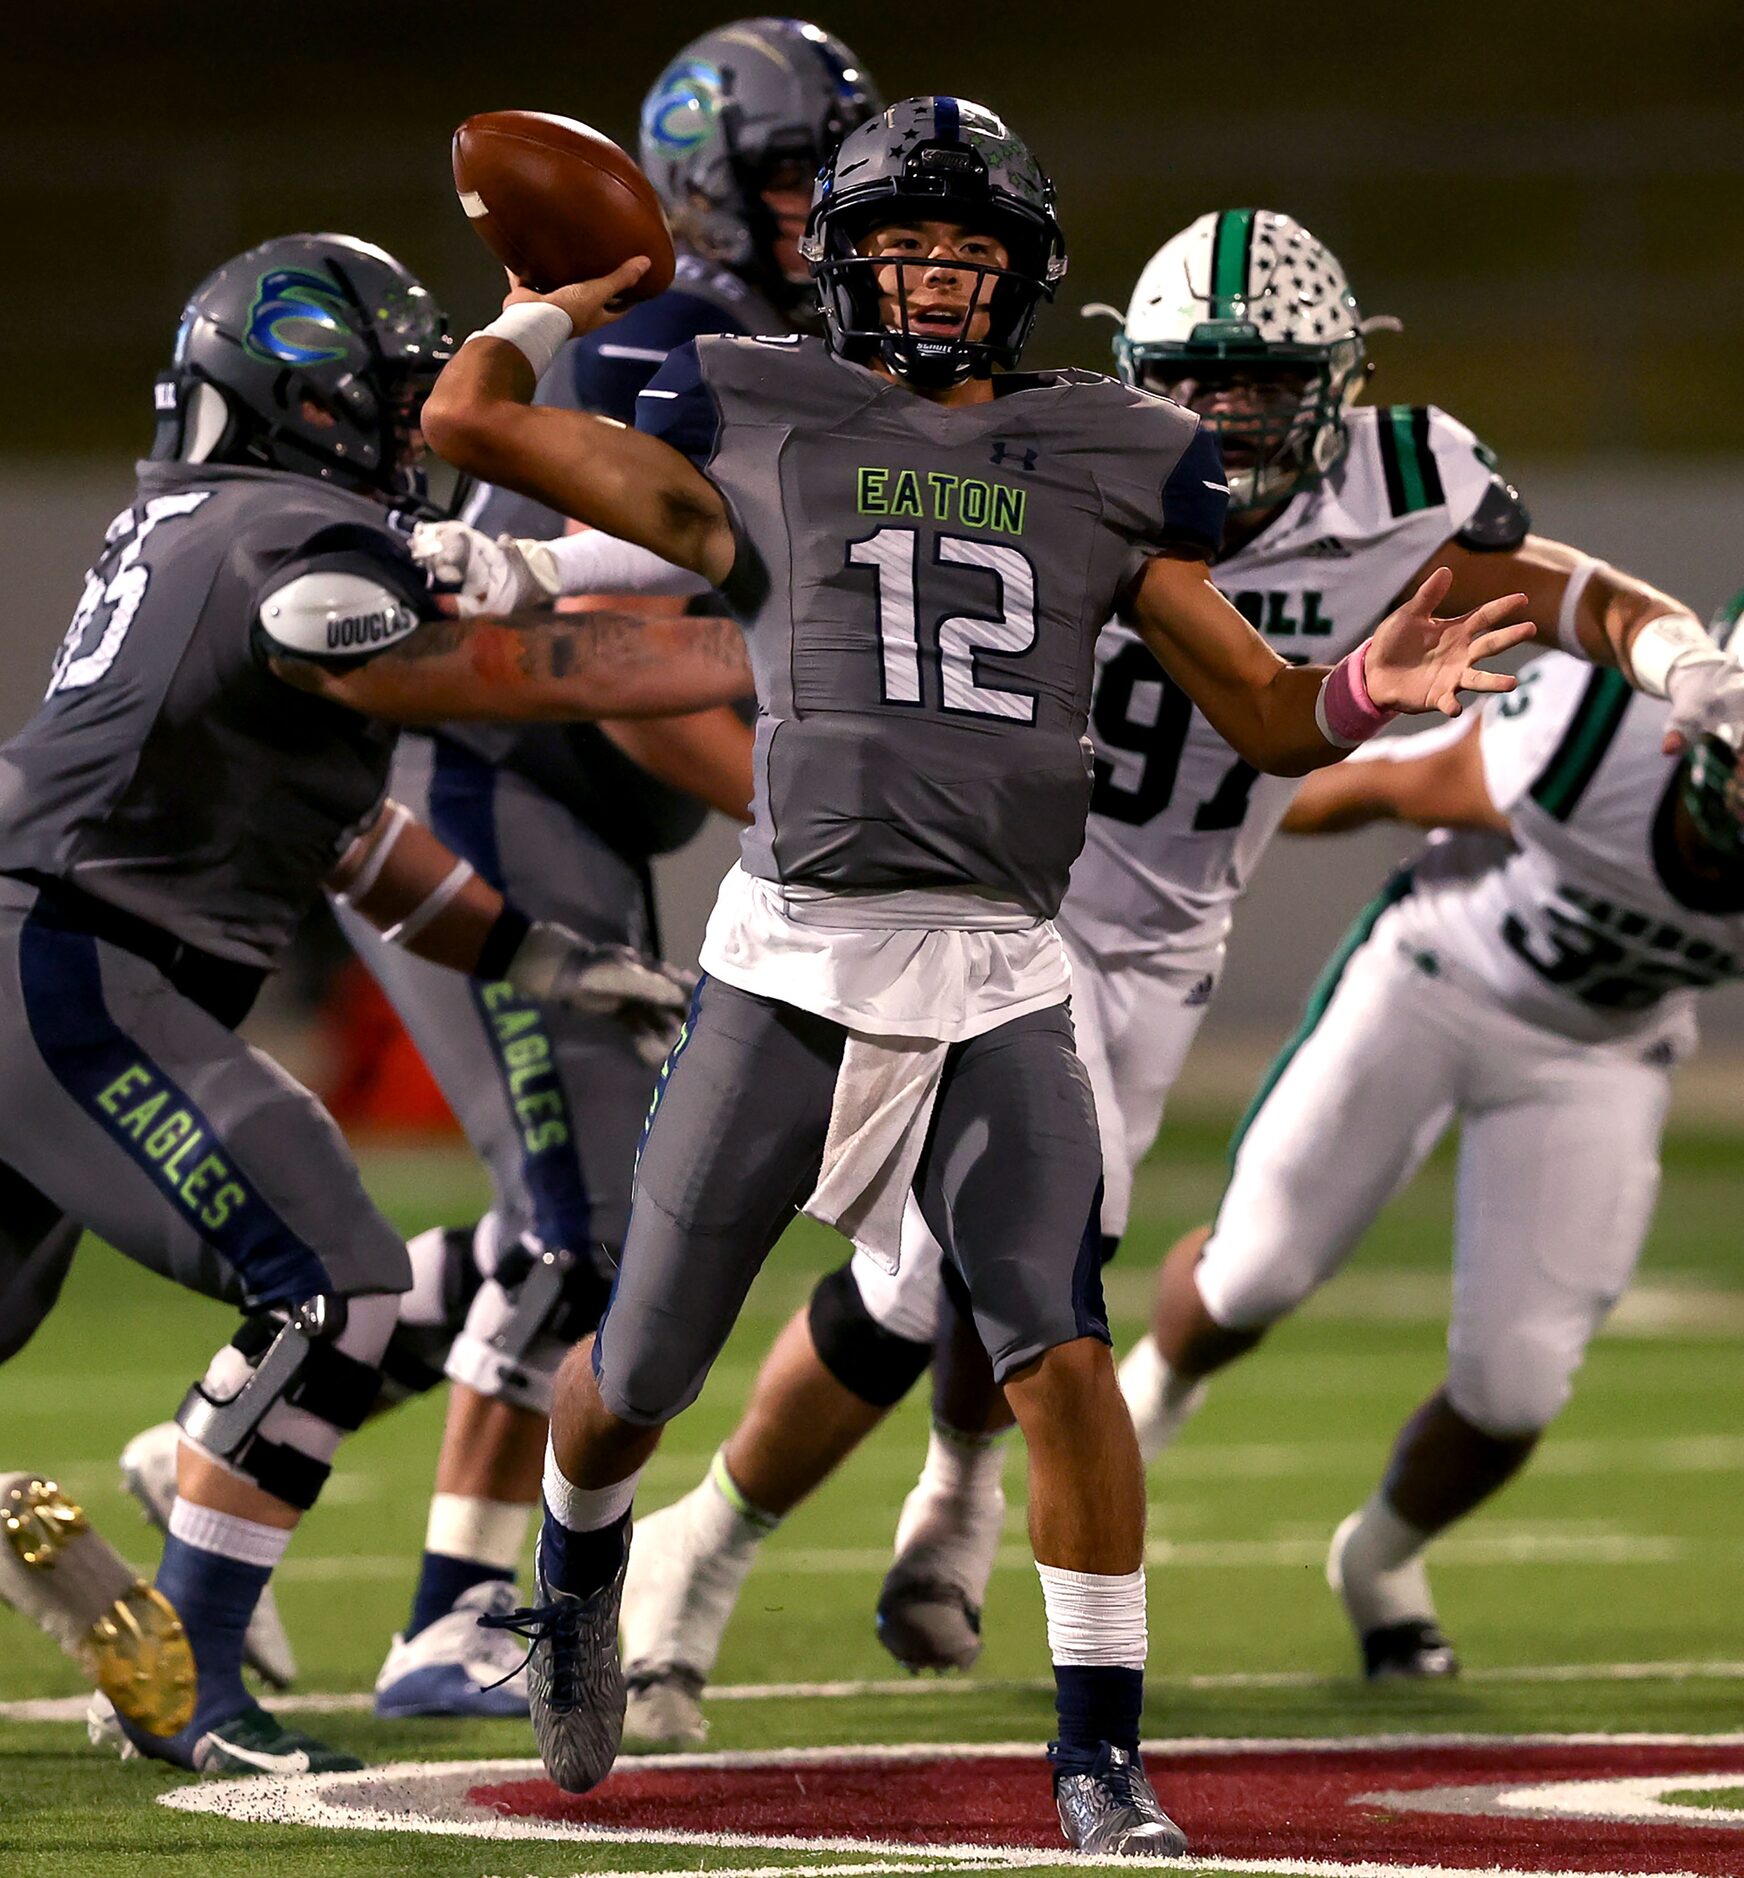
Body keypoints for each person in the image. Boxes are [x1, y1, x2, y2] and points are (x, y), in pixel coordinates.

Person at [425, 107, 1532, 1849]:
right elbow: (468, 421)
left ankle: (1096, 1751)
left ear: (1018, 281)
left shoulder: (1103, 448)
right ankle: (573, 1571)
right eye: (903, 249)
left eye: (968, 254)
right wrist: (553, 296)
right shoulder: (763, 407)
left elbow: (1255, 709)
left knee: (1058, 1343)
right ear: (843, 264)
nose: (935, 280)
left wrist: (1358, 693)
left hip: (1007, 961)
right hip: (794, 948)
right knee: (639, 1356)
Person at [611, 208, 1721, 1733]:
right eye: (1194, 382)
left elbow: (1566, 592)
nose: (1221, 416)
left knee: (1034, 1271)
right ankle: (718, 1551)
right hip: (994, 898)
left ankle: (935, 1486)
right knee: (938, 1269)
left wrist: (1681, 665)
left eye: (1259, 385)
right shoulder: (1067, 449)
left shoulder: (1408, 489)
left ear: (1332, 385)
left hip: (1160, 946)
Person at [113, 18, 883, 1721]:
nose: (822, 204)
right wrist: (799, 805)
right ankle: (453, 1608)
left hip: (566, 811)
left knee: (585, 1221)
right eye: (789, 174)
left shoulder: (769, 344)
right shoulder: (672, 336)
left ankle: (217, 1438)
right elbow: (611, 638)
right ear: (697, 181)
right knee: (592, 1220)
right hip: (489, 776)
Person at [0, 230, 750, 1776]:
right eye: (393, 394)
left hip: (64, 944)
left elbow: (352, 840)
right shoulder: (284, 532)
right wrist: (755, 653)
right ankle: (188, 1672)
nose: (415, 427)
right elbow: (460, 671)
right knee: (333, 1271)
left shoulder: (210, 520)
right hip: (73, 956)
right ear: (301, 396)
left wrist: (552, 961)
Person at [1132, 620, 1744, 1678]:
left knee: (1514, 1390)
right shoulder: (1587, 738)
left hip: (1603, 1050)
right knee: (1255, 1272)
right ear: (1693, 738)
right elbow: (1378, 788)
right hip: (1438, 973)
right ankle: (1140, 1404)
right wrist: (1177, 839)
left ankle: (1377, 1563)